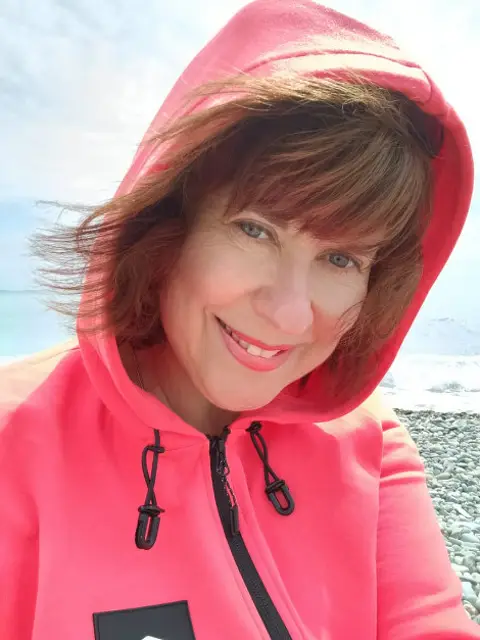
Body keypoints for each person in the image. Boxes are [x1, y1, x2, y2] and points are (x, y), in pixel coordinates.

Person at [1, 0, 479, 638]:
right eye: (256, 230)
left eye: (341, 258)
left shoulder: (371, 442)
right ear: (169, 223)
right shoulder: (14, 440)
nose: (290, 313)